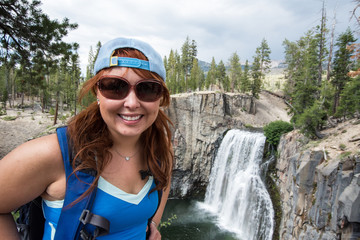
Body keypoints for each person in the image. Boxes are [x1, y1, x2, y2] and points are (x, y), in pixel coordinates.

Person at [0, 37, 173, 239]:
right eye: (115, 86)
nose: (132, 103)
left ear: (160, 97)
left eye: (148, 89)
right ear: (97, 92)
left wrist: (153, 222)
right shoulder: (55, 154)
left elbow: (165, 180)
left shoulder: (160, 149)